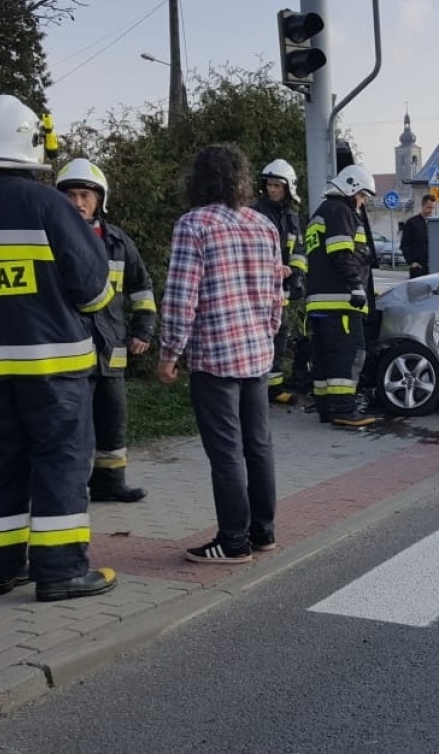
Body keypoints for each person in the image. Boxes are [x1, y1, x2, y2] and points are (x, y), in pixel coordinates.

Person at [0, 95, 118, 602]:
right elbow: (93, 286)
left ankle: (0, 568)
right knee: (61, 463)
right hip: (55, 366)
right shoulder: (49, 205)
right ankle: (61, 572)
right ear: (28, 144)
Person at [157, 144, 284, 564]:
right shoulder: (264, 225)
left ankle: (233, 542)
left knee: (226, 452)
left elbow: (180, 297)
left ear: (198, 179)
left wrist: (169, 352)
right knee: (259, 445)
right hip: (256, 355)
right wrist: (266, 335)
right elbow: (274, 298)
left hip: (214, 356)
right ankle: (263, 533)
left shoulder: (194, 225)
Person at [54, 158, 156, 504]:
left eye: (85, 195)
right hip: (70, 348)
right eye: (70, 196)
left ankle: (110, 484)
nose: (78, 202)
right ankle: (71, 488)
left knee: (112, 419)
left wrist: (143, 330)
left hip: (110, 348)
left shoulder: (117, 241)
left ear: (100, 199)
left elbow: (141, 288)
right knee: (73, 424)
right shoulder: (49, 239)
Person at [304, 164, 379, 428]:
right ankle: (345, 409)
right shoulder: (341, 211)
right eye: (362, 196)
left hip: (319, 301)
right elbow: (341, 252)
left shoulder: (321, 212)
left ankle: (327, 408)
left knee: (324, 356)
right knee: (348, 354)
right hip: (341, 300)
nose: (362, 202)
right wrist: (356, 286)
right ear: (351, 187)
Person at [253, 159, 310, 405]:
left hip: (281, 287)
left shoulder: (290, 214)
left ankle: (273, 389)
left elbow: (297, 248)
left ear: (288, 187)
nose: (272, 189)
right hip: (261, 286)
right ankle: (258, 387)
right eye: (270, 185)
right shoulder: (257, 212)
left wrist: (296, 274)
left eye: (277, 185)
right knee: (262, 335)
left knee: (280, 334)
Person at [400, 193, 435, 278]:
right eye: (429, 207)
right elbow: (405, 244)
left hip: (433, 268)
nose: (431, 210)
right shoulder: (412, 223)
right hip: (418, 268)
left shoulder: (436, 224)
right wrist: (411, 262)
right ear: (422, 206)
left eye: (433, 208)